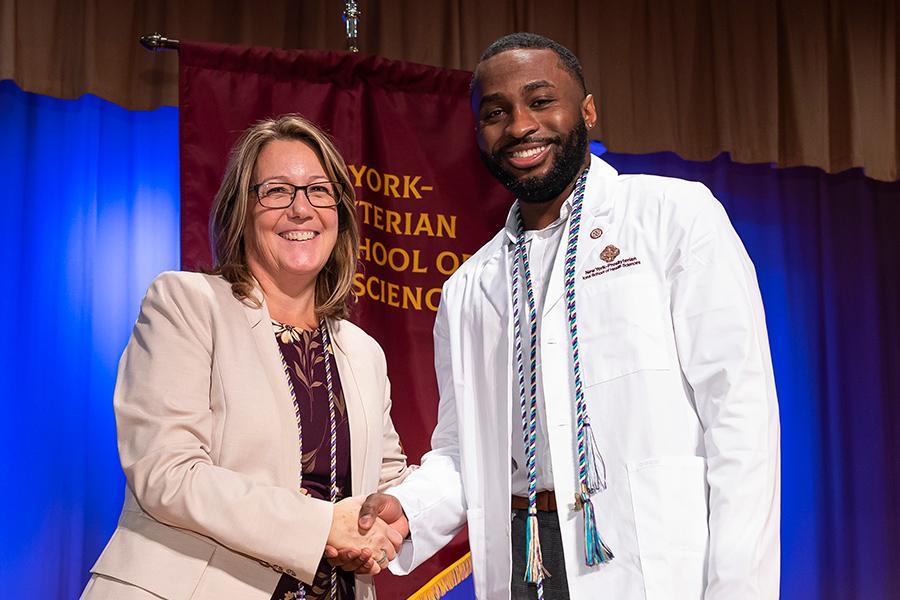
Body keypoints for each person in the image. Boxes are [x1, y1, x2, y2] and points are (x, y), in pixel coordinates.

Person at [349, 33, 781, 599]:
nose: (520, 126)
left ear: (588, 110)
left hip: (654, 559)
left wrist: (739, 589)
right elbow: (463, 452)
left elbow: (740, 416)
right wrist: (406, 507)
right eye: (495, 113)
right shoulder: (467, 288)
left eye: (540, 100)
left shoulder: (672, 217)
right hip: (525, 560)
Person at [81, 114, 409, 600]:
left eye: (319, 190)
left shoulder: (363, 351)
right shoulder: (186, 303)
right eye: (277, 191)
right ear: (242, 208)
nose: (302, 209)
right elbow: (168, 473)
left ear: (339, 213)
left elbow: (386, 476)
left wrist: (397, 512)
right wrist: (320, 525)